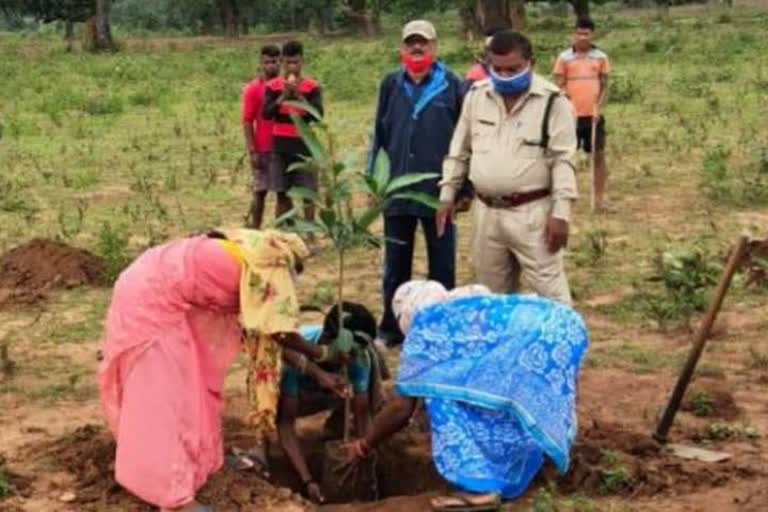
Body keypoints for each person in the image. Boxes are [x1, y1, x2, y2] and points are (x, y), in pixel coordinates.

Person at [98, 229, 349, 512]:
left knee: (193, 390)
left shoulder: (253, 248)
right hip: (150, 301)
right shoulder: (268, 274)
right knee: (164, 397)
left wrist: (320, 375)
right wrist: (324, 354)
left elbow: (263, 334)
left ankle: (198, 463)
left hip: (164, 288)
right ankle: (174, 496)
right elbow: (279, 334)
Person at [345, 280, 589, 512]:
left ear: (406, 314)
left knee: (441, 397)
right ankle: (536, 450)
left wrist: (364, 444)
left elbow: (401, 408)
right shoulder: (463, 304)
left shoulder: (426, 329)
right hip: (562, 324)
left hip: (538, 338)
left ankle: (480, 486)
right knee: (491, 393)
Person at [437, 30, 577, 304]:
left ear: (530, 63)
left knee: (550, 296)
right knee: (491, 298)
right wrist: (447, 194)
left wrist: (561, 213)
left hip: (532, 213)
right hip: (486, 212)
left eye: (513, 69)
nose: (504, 76)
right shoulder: (477, 96)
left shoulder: (553, 102)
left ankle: (563, 346)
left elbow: (563, 160)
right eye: (497, 69)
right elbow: (459, 150)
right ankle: (503, 347)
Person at [367, 20, 464, 348]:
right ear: (402, 48)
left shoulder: (452, 84)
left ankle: (440, 328)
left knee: (442, 263)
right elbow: (378, 135)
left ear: (434, 47)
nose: (417, 49)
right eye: (411, 43)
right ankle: (391, 329)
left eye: (423, 43)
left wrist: (462, 189)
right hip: (396, 189)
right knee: (395, 263)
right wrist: (374, 182)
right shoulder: (390, 84)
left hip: (439, 192)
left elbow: (465, 140)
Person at [277, 302, 380, 504]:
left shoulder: (358, 358)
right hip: (297, 395)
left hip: (330, 393)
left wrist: (364, 453)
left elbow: (362, 414)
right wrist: (308, 481)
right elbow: (285, 425)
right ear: (327, 341)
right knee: (278, 408)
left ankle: (335, 426)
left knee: (368, 382)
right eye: (347, 354)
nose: (351, 359)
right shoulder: (295, 356)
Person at [263, 41, 324, 229]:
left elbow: (318, 115)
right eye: (288, 63)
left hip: (304, 147)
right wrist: (282, 97)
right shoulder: (273, 87)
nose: (292, 67)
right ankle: (286, 231)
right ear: (282, 63)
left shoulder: (312, 86)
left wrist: (299, 97)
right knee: (282, 193)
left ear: (302, 61)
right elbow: (266, 113)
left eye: (295, 63)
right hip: (280, 147)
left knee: (308, 193)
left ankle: (310, 234)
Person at [553, 17, 611, 212]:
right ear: (574, 34)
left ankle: (600, 200)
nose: (582, 37)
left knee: (599, 156)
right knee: (567, 157)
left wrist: (598, 108)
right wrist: (566, 105)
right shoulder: (564, 58)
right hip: (570, 117)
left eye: (586, 33)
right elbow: (559, 84)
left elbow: (604, 85)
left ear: (592, 34)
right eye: (579, 33)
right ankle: (565, 198)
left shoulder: (600, 57)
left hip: (593, 115)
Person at [241, 45, 281, 228]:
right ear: (261, 63)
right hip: (263, 148)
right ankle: (254, 230)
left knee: (283, 193)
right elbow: (248, 121)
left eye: (274, 62)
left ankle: (283, 232)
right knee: (260, 191)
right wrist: (252, 151)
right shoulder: (253, 89)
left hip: (282, 147)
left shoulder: (285, 87)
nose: (271, 66)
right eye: (267, 62)